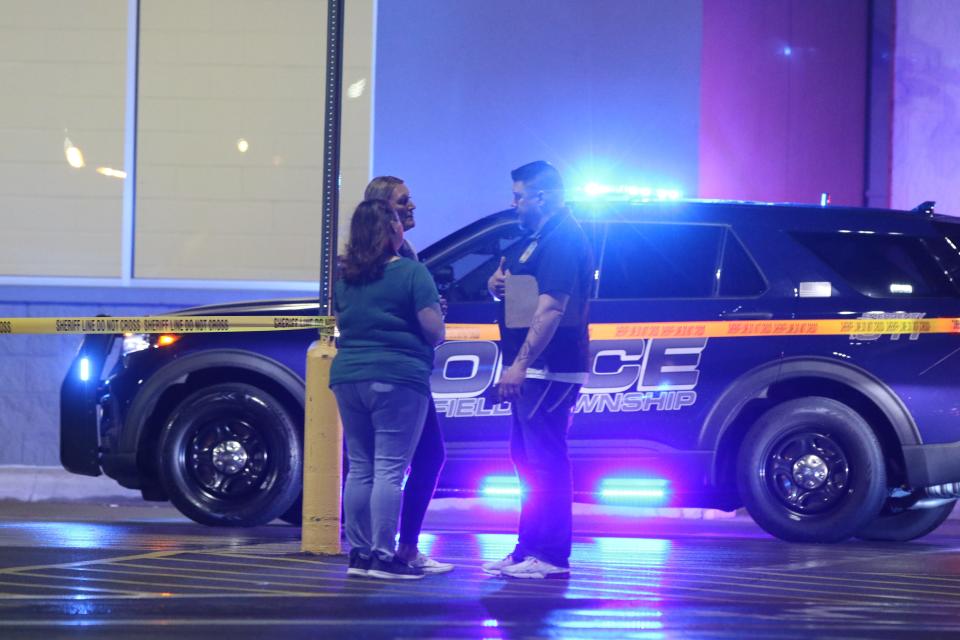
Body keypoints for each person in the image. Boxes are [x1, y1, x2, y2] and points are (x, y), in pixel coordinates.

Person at [481, 161, 593, 579]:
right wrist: (498, 288)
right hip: (535, 368)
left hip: (551, 369)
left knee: (545, 461)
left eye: (518, 196)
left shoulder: (563, 238)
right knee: (526, 460)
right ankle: (527, 548)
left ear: (541, 197)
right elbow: (529, 299)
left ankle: (550, 556)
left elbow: (552, 308)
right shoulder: (537, 239)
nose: (514, 204)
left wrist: (520, 365)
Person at [330, 199, 445, 580]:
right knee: (390, 471)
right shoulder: (412, 274)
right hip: (398, 377)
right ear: (390, 230)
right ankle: (384, 555)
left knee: (359, 468)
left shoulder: (345, 277)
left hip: (348, 377)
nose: (401, 226)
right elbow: (434, 331)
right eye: (397, 221)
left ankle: (359, 555)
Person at [362, 176, 454, 574]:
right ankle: (397, 550)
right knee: (422, 457)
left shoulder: (362, 260)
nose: (412, 206)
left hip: (365, 373)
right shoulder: (400, 262)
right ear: (385, 210)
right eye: (404, 201)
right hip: (401, 372)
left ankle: (366, 552)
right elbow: (425, 326)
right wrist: (432, 313)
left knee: (370, 464)